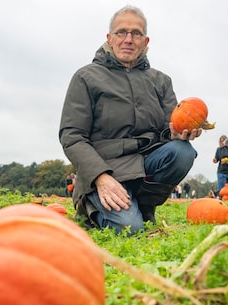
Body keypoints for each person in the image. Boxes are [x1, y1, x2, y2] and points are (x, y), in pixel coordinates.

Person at [59, 5, 202, 234]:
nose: (128, 39)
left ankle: (143, 207)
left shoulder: (161, 81)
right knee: (131, 230)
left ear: (145, 41)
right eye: (121, 32)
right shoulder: (86, 77)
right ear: (110, 38)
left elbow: (168, 129)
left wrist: (177, 133)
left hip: (144, 165)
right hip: (106, 169)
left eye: (136, 33)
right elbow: (72, 137)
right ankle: (92, 204)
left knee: (182, 151)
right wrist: (100, 177)